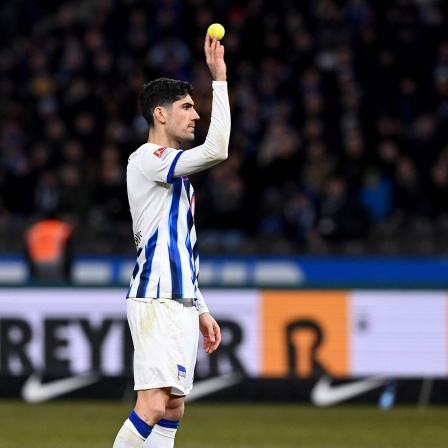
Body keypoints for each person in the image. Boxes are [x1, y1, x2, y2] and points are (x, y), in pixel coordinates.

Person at [113, 32, 229, 448]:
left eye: (195, 107)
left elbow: (184, 249)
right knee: (153, 403)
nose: (195, 115)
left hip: (179, 300)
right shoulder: (147, 160)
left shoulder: (180, 182)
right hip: (155, 298)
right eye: (186, 107)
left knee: (174, 405)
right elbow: (217, 151)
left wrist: (201, 307)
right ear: (160, 115)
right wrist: (219, 80)